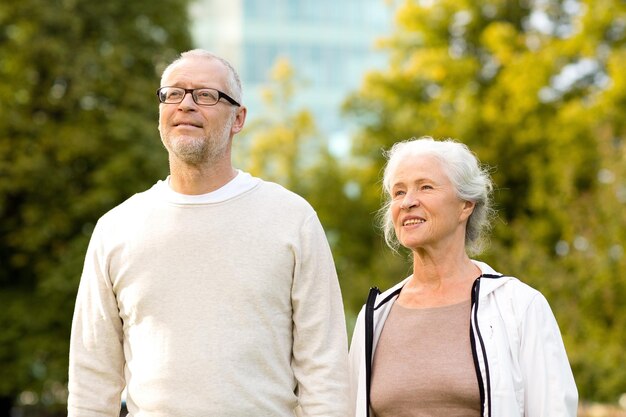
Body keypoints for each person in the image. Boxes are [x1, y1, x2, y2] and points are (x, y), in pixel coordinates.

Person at [68, 49, 350, 417]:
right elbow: (93, 377)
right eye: (173, 93)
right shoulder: (116, 228)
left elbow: (324, 370)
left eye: (205, 95)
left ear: (238, 118)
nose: (186, 105)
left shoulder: (292, 219)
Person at [348, 137, 578, 417]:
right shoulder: (374, 317)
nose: (407, 202)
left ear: (465, 205)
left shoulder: (520, 307)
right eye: (398, 192)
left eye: (425, 187)